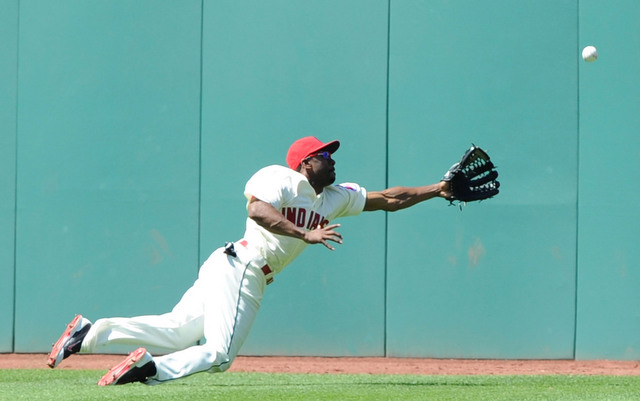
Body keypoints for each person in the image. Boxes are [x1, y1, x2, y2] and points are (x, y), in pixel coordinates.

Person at [47, 136, 452, 386]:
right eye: (324, 153)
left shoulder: (335, 197)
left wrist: (438, 188)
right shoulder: (283, 177)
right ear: (305, 162)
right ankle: (151, 369)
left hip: (231, 266)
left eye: (331, 153)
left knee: (175, 331)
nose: (332, 158)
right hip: (244, 267)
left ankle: (88, 334)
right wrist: (304, 233)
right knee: (219, 356)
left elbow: (390, 199)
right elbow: (258, 210)